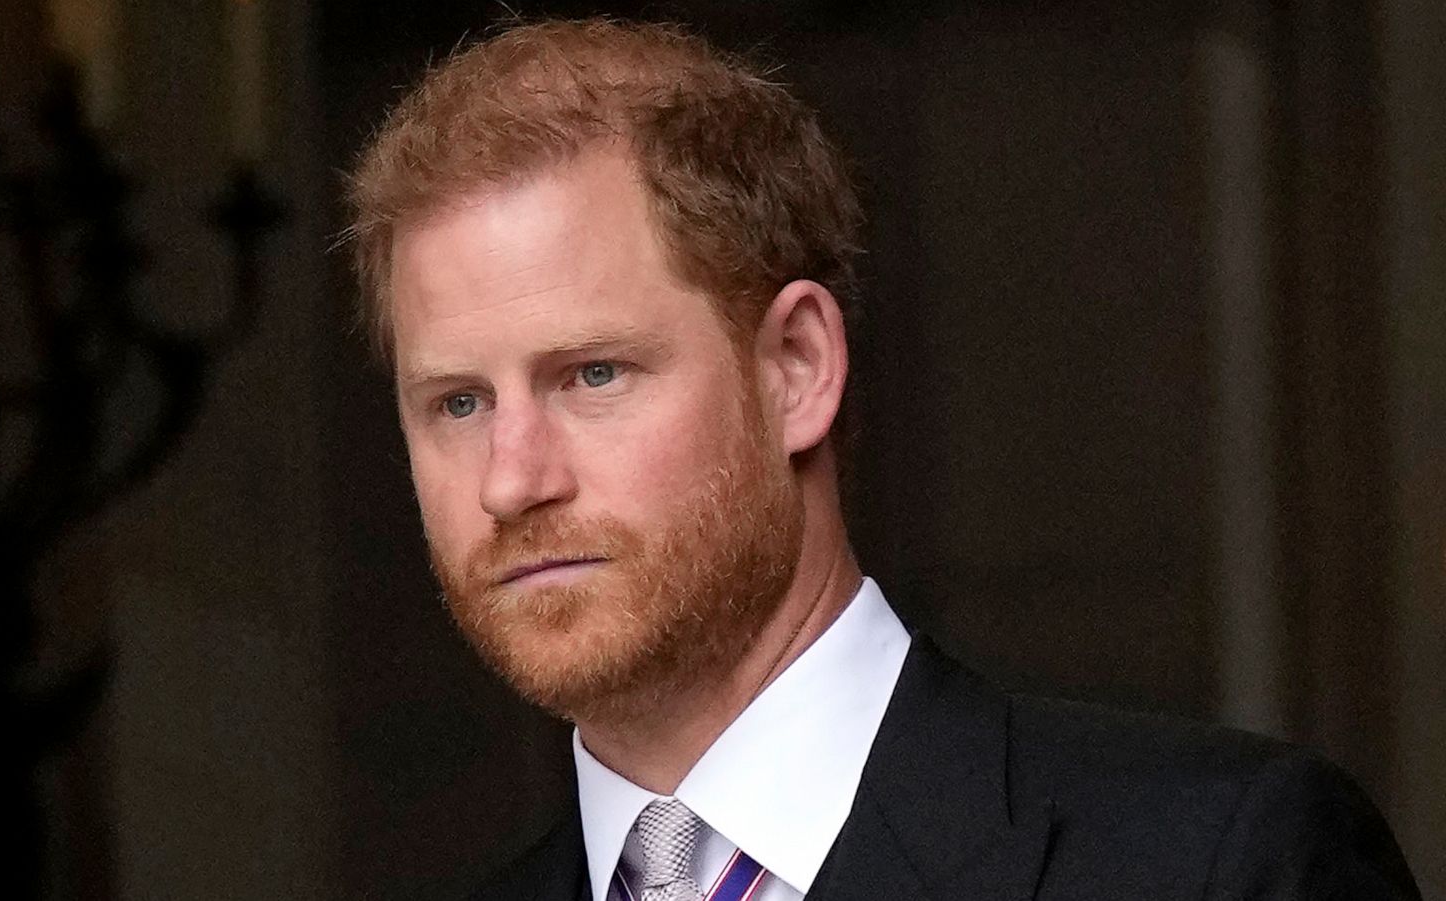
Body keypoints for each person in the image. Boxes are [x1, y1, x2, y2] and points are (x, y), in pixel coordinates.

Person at [344, 17, 1419, 901]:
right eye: (458, 402)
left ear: (796, 368)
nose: (511, 478)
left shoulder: (1220, 864)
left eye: (593, 375)